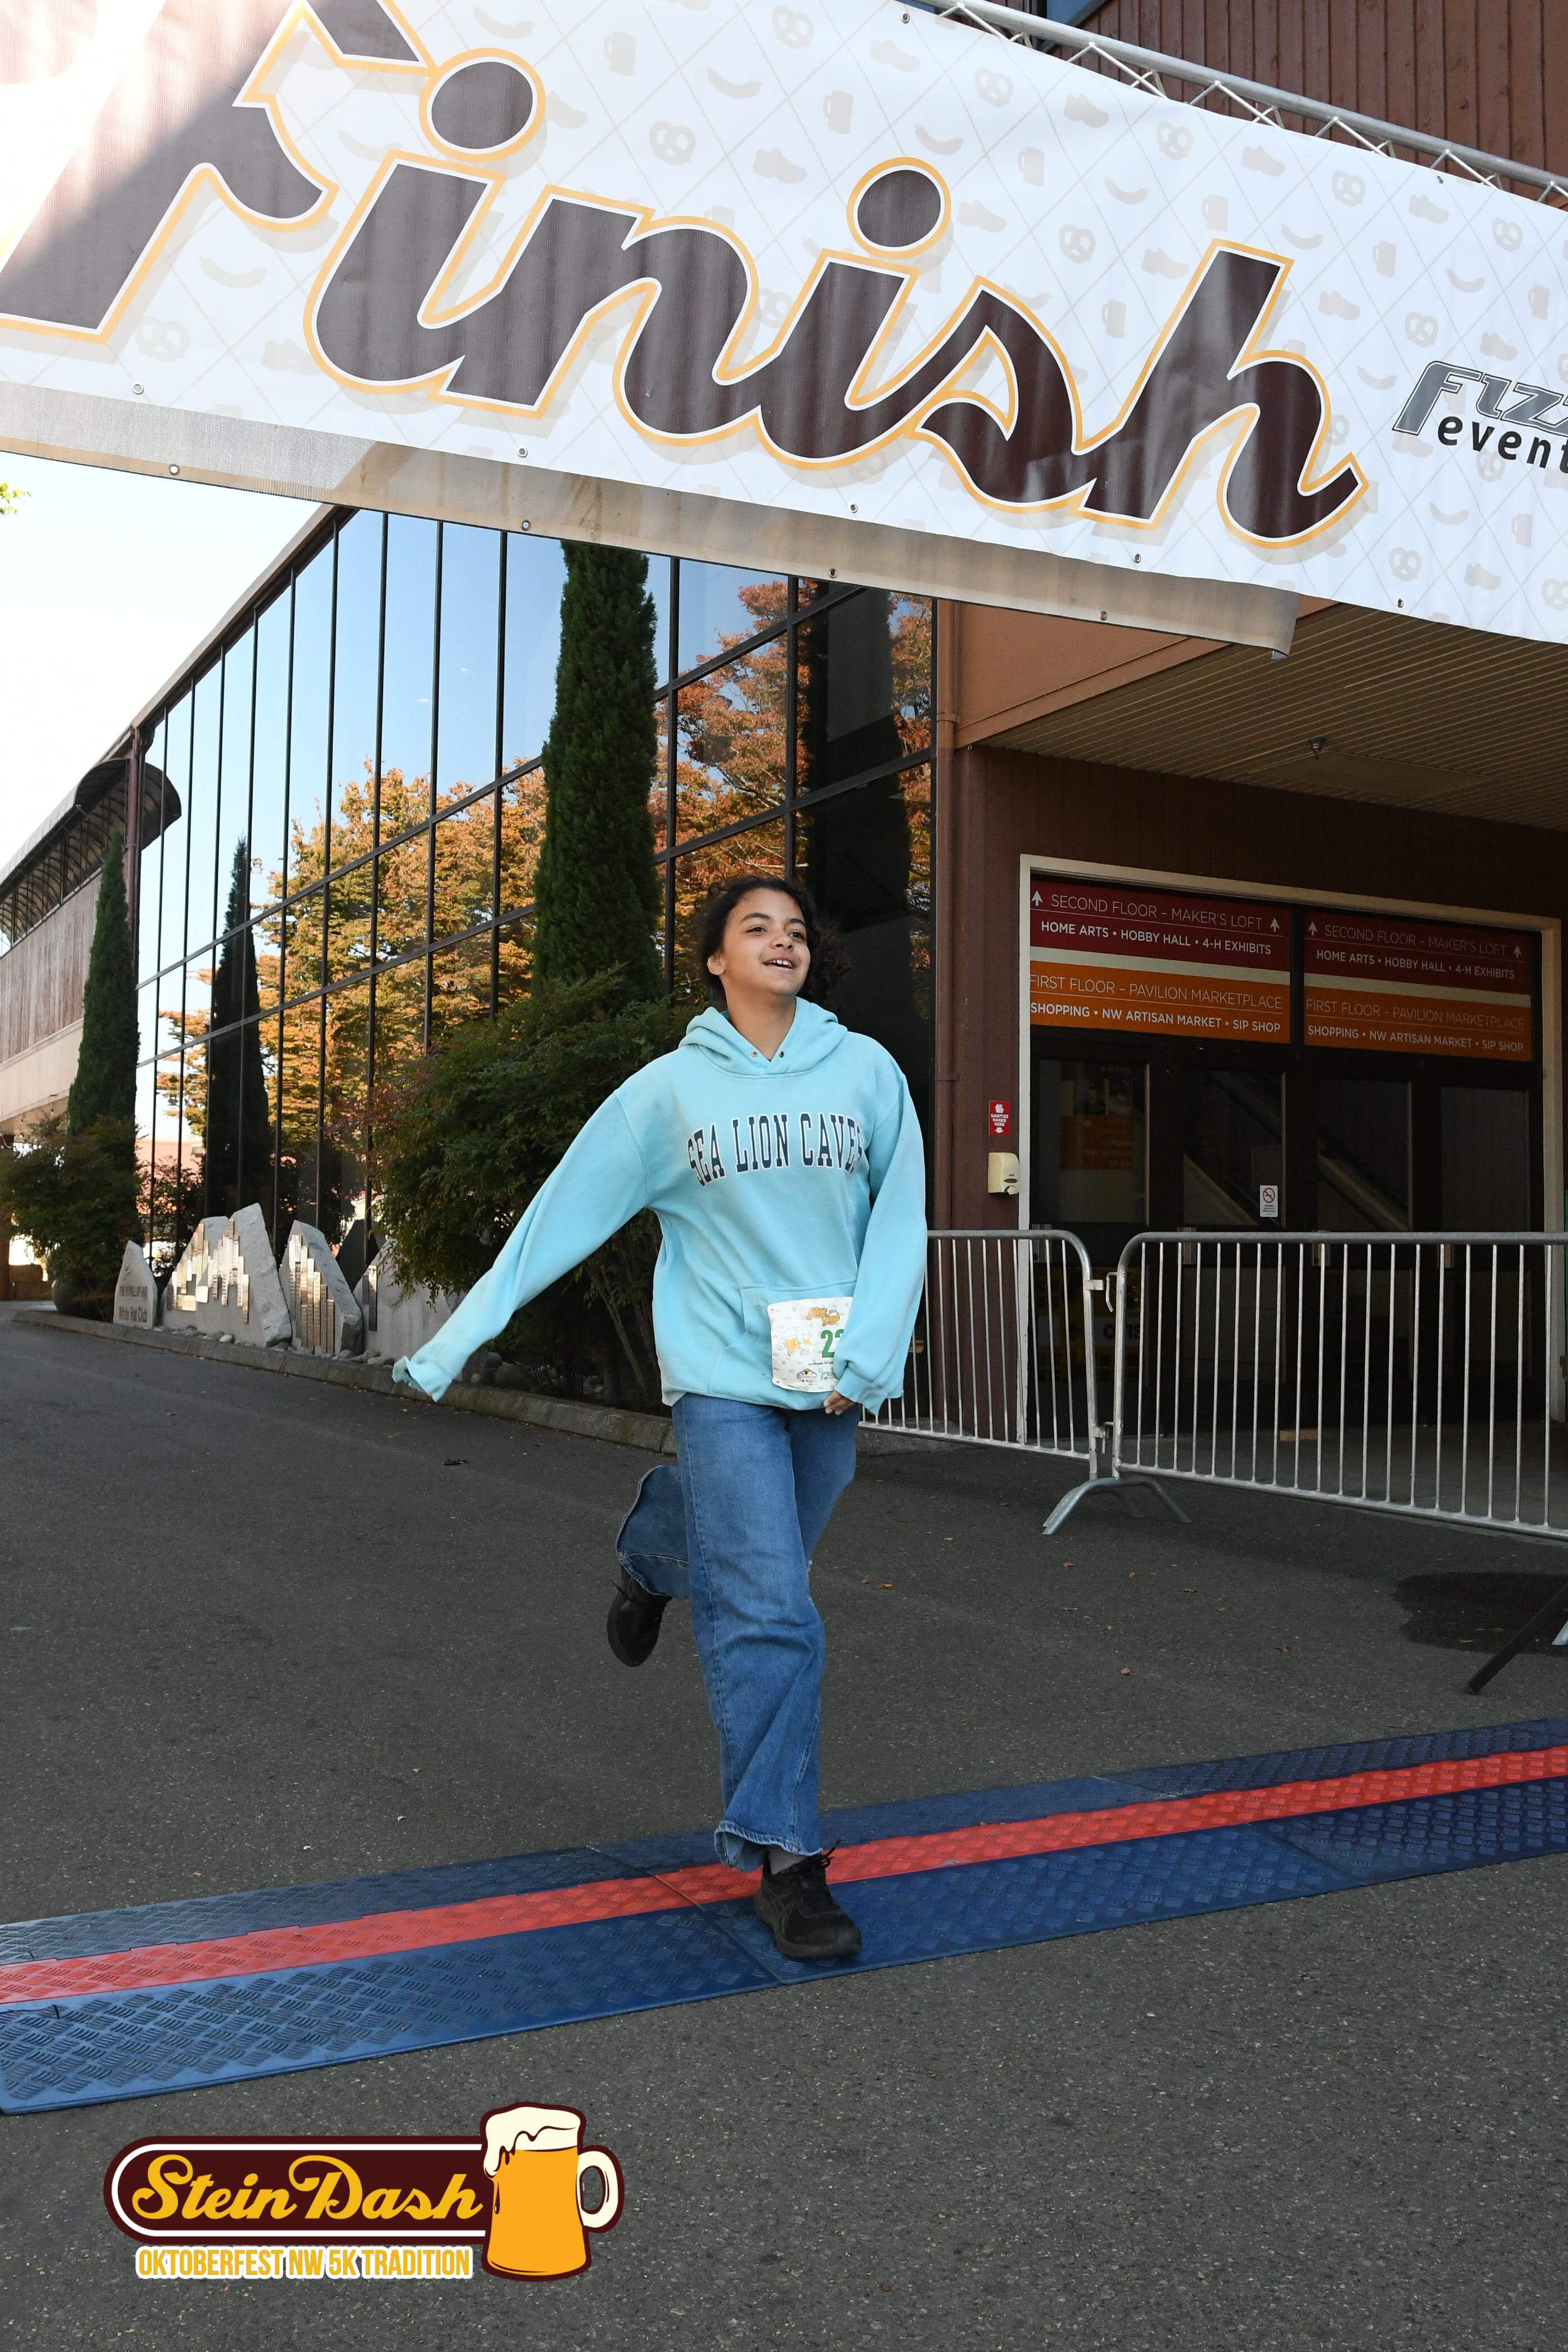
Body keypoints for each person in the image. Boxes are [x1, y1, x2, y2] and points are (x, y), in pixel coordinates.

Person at [394, 875, 926, 1961]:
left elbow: (901, 1217)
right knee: (772, 1604)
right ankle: (785, 1856)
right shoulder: (667, 1094)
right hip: (722, 1375)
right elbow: (561, 1214)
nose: (781, 941)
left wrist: (870, 1357)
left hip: (830, 1375)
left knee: (757, 1556)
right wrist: (452, 1342)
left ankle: (654, 1552)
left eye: (795, 929)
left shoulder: (868, 1071)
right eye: (755, 928)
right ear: (715, 959)